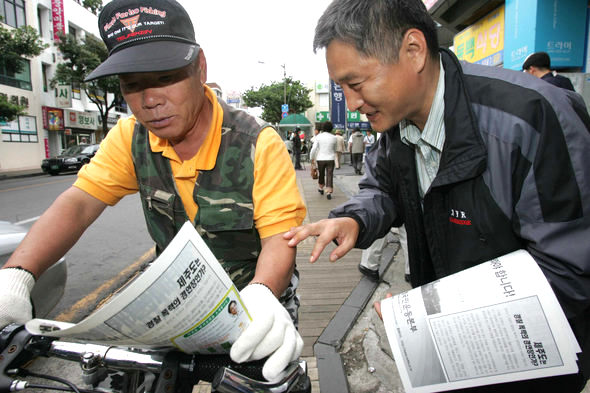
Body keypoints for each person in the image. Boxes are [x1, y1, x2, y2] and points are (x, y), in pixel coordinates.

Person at [285, 0, 590, 391]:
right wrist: (353, 219)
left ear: (413, 51)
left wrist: (439, 320)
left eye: (356, 84)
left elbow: (570, 274)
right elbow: (381, 188)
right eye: (341, 88)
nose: (352, 102)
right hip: (453, 360)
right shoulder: (396, 125)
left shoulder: (532, 118)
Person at [0, 0, 306, 383]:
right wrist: (16, 277)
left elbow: (281, 237)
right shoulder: (130, 138)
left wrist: (263, 292)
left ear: (200, 68)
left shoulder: (258, 142)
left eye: (164, 78)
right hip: (176, 302)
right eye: (132, 85)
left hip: (254, 302)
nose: (149, 101)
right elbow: (78, 204)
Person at [310, 121, 337, 200]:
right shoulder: (334, 137)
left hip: (320, 158)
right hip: (331, 158)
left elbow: (314, 149)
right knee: (329, 174)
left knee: (321, 173)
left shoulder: (319, 137)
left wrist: (311, 158)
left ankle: (321, 188)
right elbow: (335, 149)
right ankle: (329, 191)